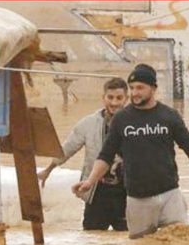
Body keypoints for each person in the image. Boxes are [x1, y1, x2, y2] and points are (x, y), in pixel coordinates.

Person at [72, 64, 189, 239]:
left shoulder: (169, 116)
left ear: (153, 88)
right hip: (137, 200)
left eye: (140, 88)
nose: (135, 92)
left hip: (170, 195)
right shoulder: (121, 119)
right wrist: (90, 182)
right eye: (132, 88)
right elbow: (105, 156)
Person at [38, 77, 129, 231]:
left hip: (126, 192)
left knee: (129, 240)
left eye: (119, 98)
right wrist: (48, 170)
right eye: (110, 97)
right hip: (96, 192)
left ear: (126, 99)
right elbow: (67, 149)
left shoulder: (135, 123)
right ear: (103, 98)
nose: (114, 103)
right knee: (92, 240)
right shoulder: (88, 123)